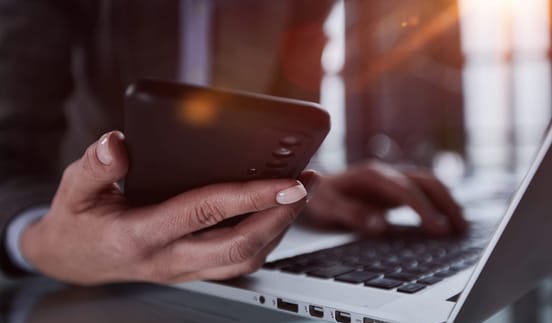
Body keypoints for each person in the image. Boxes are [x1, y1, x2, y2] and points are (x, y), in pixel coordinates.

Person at [0, 0, 466, 285]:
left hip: (233, 284)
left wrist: (312, 189)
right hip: (78, 287)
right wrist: (43, 240)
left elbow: (286, 113)